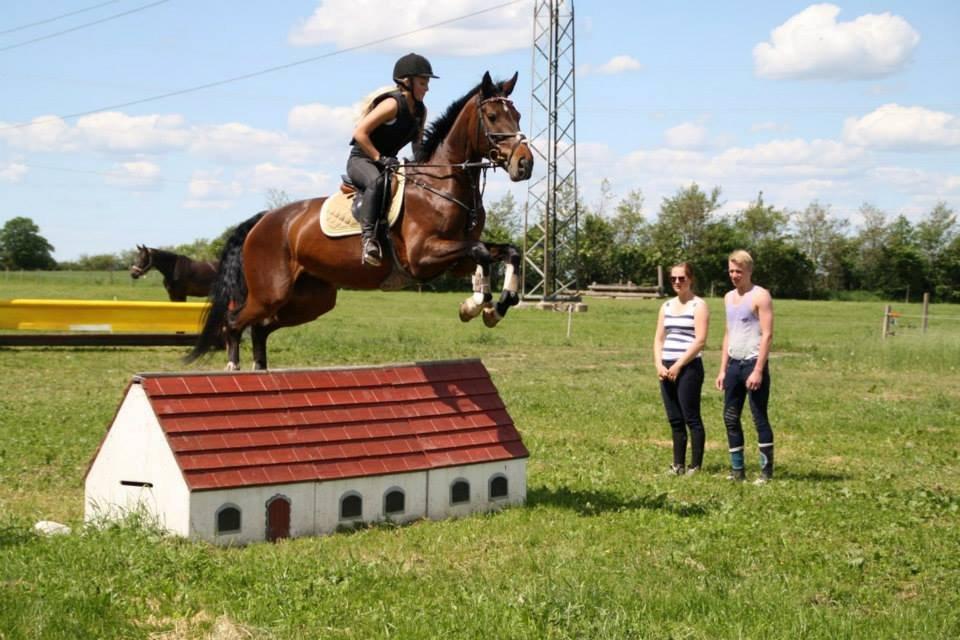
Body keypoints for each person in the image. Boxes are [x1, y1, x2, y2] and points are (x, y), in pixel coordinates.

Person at [348, 52, 437, 266]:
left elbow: (418, 146)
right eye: (423, 83)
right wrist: (379, 158)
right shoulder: (392, 104)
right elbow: (360, 133)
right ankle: (368, 239)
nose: (427, 88)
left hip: (389, 164)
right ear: (407, 82)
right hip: (363, 160)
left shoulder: (420, 111)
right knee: (377, 182)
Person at [714, 250, 775, 484]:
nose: (734, 275)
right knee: (730, 417)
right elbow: (728, 333)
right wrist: (722, 369)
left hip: (752, 363)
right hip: (733, 365)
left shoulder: (761, 296)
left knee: (759, 417)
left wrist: (758, 369)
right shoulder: (728, 298)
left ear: (749, 271)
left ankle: (765, 472)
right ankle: (737, 471)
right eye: (731, 271)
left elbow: (768, 334)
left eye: (738, 271)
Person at [653, 262, 709, 475]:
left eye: (682, 278)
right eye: (673, 279)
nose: (677, 282)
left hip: (689, 367)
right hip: (666, 367)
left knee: (691, 417)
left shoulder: (698, 305)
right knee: (674, 418)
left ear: (690, 279)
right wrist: (659, 364)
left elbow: (700, 341)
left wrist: (678, 365)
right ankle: (678, 464)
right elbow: (658, 339)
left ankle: (695, 466)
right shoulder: (666, 306)